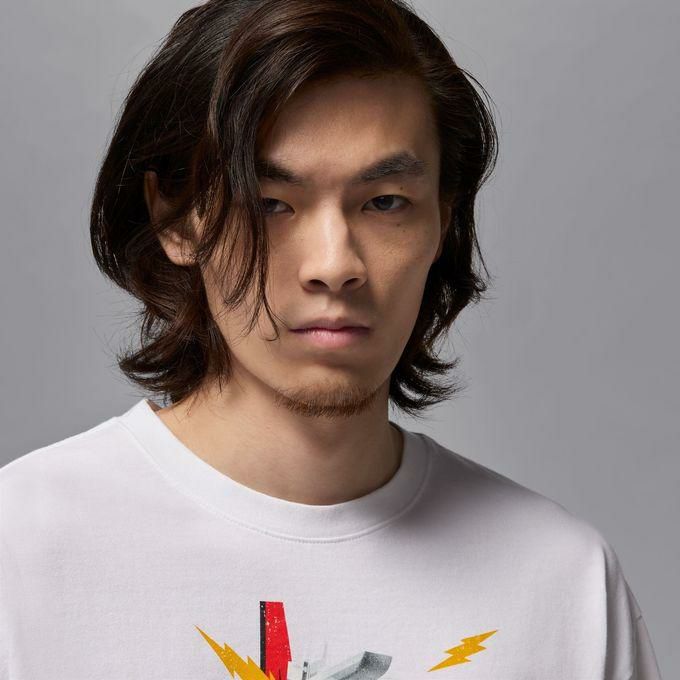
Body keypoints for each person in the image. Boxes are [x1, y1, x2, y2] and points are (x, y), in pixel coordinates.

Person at [0, 1, 663, 678]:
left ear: (444, 217)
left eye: (384, 202)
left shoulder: (562, 585)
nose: (334, 264)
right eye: (269, 203)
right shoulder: (20, 550)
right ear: (177, 218)